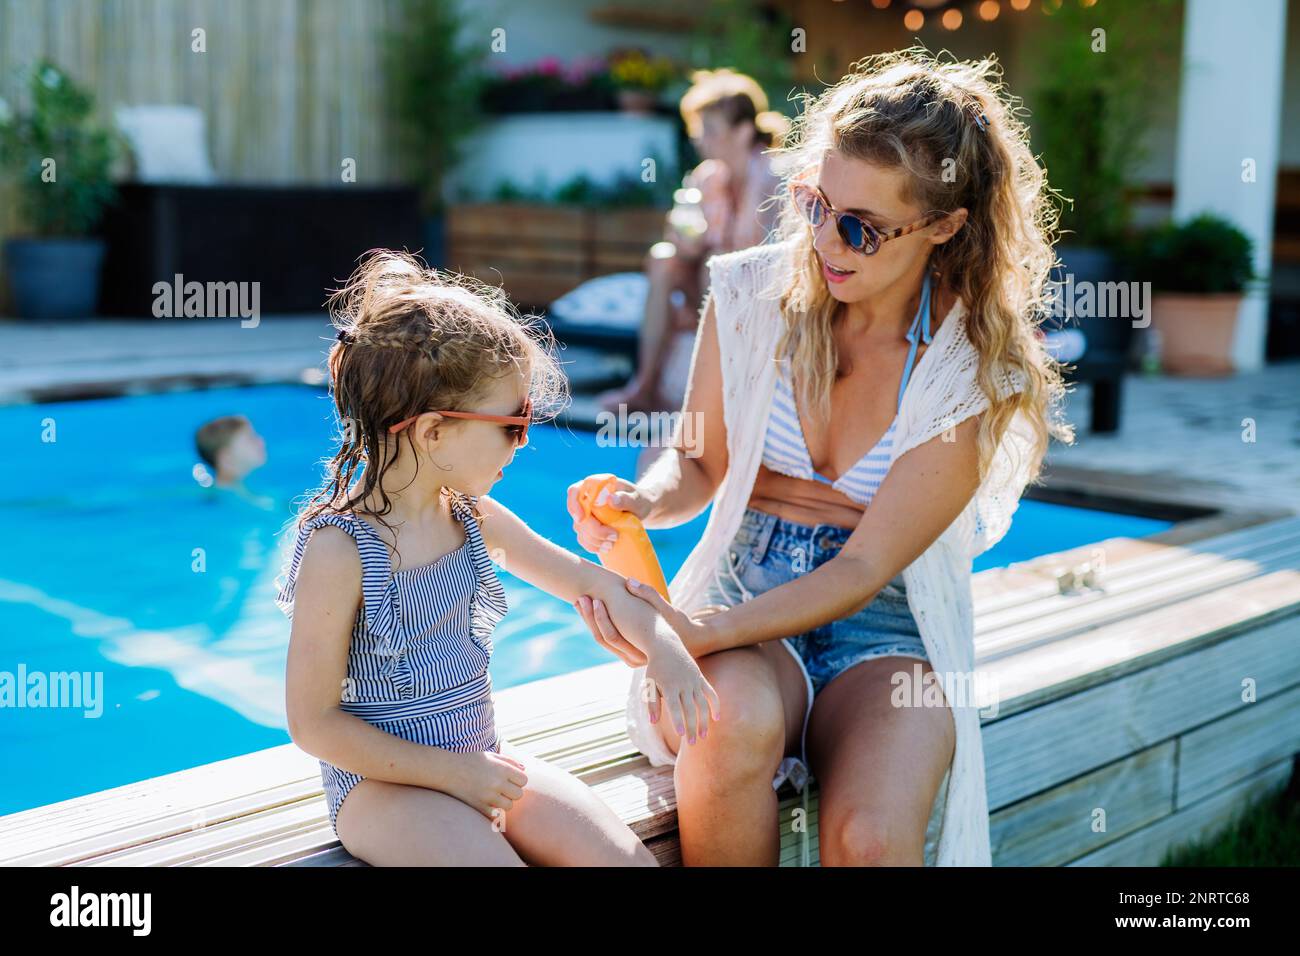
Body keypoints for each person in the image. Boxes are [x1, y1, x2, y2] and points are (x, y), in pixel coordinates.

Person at [568, 49, 1073, 866]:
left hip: (884, 625)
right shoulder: (748, 294)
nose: (825, 241)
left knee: (868, 841)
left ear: (945, 227)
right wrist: (644, 498)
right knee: (727, 727)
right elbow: (698, 464)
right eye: (814, 203)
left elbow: (865, 566)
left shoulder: (972, 366)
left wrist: (697, 633)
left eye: (861, 228)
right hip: (743, 586)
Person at [275, 251, 717, 866]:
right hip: (385, 789)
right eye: (511, 424)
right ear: (433, 433)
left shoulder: (474, 520)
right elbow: (314, 722)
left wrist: (666, 652)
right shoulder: (341, 549)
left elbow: (597, 585)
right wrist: (455, 775)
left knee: (626, 861)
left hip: (485, 759)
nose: (525, 439)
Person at [598, 68, 787, 415]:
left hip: (764, 287)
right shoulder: (708, 176)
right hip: (713, 280)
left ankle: (716, 384)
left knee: (716, 260)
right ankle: (644, 385)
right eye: (698, 128)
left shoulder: (772, 176)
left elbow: (756, 249)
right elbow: (686, 240)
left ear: (744, 132)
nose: (699, 138)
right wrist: (683, 238)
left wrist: (705, 246)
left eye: (710, 129)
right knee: (663, 259)